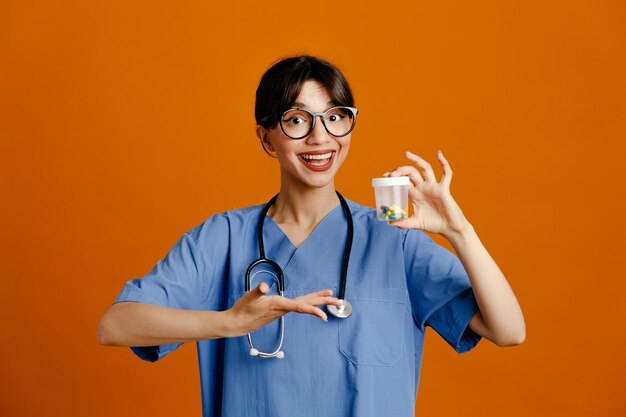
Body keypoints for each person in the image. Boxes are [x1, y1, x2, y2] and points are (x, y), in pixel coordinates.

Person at [97, 55, 525, 417]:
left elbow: (508, 330)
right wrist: (230, 322)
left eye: (336, 117)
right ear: (266, 136)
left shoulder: (395, 239)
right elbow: (116, 325)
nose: (321, 137)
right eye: (297, 119)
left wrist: (459, 231)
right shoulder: (223, 239)